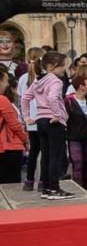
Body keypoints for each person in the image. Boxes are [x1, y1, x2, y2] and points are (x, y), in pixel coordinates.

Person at [21, 51, 72, 199]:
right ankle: (54, 189)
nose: (64, 69)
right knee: (55, 156)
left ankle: (46, 188)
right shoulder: (56, 81)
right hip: (53, 122)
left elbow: (25, 98)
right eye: (62, 66)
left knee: (46, 156)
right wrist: (57, 114)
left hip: (41, 121)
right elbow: (52, 97)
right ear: (51, 66)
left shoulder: (38, 80)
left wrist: (27, 118)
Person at [65, 74, 87, 193]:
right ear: (80, 86)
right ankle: (79, 188)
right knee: (77, 163)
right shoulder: (68, 101)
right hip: (74, 137)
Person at [18, 47, 43, 191]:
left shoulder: (23, 79)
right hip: (44, 118)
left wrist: (24, 118)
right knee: (46, 152)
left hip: (30, 120)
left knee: (33, 151)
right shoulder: (45, 78)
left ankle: (29, 180)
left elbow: (22, 100)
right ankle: (42, 181)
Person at [0, 64, 27, 183]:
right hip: (7, 148)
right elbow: (15, 125)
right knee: (10, 186)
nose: (6, 84)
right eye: (5, 81)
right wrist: (26, 140)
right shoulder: (2, 100)